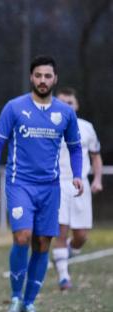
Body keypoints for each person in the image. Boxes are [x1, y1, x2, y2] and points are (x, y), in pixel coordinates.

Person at [0, 56, 83, 312]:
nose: (43, 80)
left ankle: (30, 303)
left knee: (42, 243)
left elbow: (75, 147)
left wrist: (77, 175)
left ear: (55, 79)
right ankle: (15, 299)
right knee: (22, 236)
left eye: (47, 76)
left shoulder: (65, 112)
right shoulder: (14, 108)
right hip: (20, 184)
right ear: (31, 77)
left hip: (50, 188)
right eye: (38, 75)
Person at [52, 87, 102, 290]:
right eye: (62, 102)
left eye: (70, 102)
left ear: (76, 105)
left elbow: (95, 155)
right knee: (61, 231)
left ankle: (63, 256)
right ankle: (64, 277)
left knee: (81, 236)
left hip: (80, 184)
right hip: (58, 184)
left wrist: (97, 179)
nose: (67, 106)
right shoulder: (50, 125)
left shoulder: (86, 127)